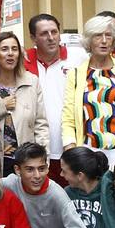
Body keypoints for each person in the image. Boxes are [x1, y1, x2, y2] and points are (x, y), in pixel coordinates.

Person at [61, 14, 115, 174]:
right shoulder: (75, 75)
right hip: (90, 151)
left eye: (108, 35)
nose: (104, 40)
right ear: (89, 40)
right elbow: (68, 117)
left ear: (114, 39)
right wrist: (70, 147)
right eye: (97, 36)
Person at [24, 13, 88, 182]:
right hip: (38, 149)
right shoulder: (23, 62)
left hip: (72, 145)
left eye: (54, 32)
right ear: (33, 38)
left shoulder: (79, 57)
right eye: (44, 34)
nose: (51, 38)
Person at [0, 31, 48, 174]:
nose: (10, 53)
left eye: (14, 49)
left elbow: (41, 124)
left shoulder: (31, 81)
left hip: (26, 161)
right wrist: (1, 107)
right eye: (4, 49)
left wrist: (43, 160)